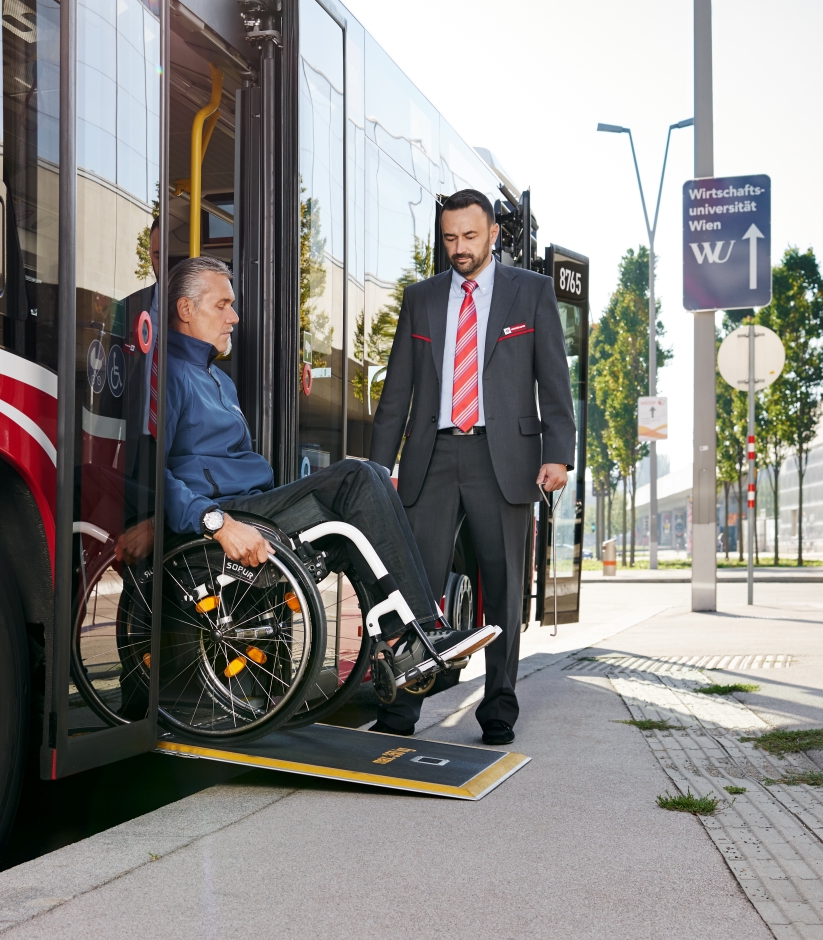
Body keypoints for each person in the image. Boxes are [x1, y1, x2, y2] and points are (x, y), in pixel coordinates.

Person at [120, 255, 498, 694]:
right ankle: (411, 637)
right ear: (186, 310)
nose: (234, 316)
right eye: (222, 305)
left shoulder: (219, 382)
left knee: (368, 484)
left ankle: (407, 638)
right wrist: (214, 522)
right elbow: (150, 470)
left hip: (255, 505)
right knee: (358, 476)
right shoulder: (167, 376)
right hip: (224, 515)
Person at [369, 188, 576, 743]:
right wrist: (376, 468)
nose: (458, 248)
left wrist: (558, 452)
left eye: (468, 236)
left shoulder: (530, 293)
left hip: (503, 457)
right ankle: (399, 710)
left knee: (504, 586)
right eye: (449, 238)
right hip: (431, 456)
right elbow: (397, 393)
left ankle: (499, 709)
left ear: (493, 235)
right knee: (412, 586)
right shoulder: (422, 298)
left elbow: (553, 378)